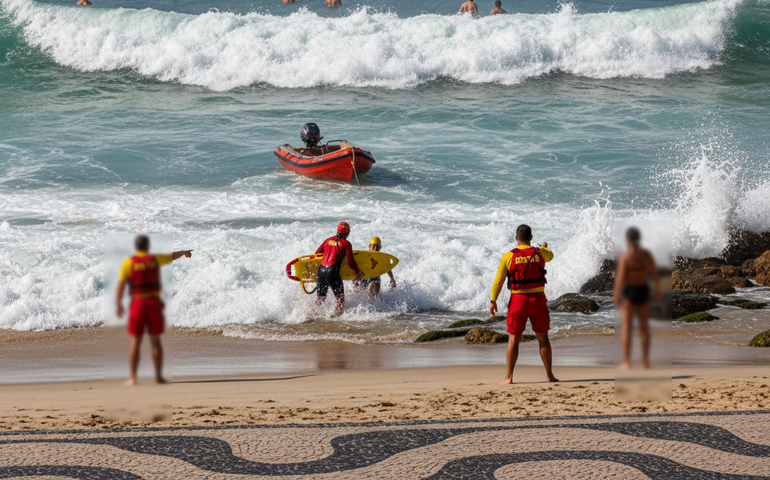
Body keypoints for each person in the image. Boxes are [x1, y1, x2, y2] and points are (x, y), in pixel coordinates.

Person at [116, 235, 192, 385]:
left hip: (137, 304)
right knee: (156, 342)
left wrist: (118, 304)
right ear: (148, 246)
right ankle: (158, 377)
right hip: (153, 304)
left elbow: (121, 285)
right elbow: (173, 256)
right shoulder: (154, 259)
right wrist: (184, 252)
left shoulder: (129, 262)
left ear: (136, 247)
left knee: (135, 342)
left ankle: (133, 378)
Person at [490, 224, 558, 384]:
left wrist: (493, 301)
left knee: (513, 339)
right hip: (538, 300)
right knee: (543, 339)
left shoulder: (508, 256)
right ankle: (549, 375)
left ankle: (509, 377)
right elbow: (550, 256)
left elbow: (499, 280)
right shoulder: (540, 253)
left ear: (516, 238)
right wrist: (543, 247)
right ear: (531, 237)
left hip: (518, 301)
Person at [613, 227, 661, 370]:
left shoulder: (626, 257)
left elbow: (621, 278)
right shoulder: (646, 255)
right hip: (643, 290)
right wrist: (657, 289)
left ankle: (627, 362)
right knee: (644, 328)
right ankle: (645, 362)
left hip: (630, 291)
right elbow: (654, 272)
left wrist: (616, 295)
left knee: (627, 328)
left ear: (628, 239)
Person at [314, 222, 363, 312]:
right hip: (332, 271)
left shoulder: (327, 240)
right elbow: (351, 262)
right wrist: (358, 272)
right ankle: (335, 318)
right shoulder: (346, 243)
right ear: (348, 233)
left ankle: (309, 314)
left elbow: (317, 254)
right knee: (340, 299)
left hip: (321, 270)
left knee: (320, 299)